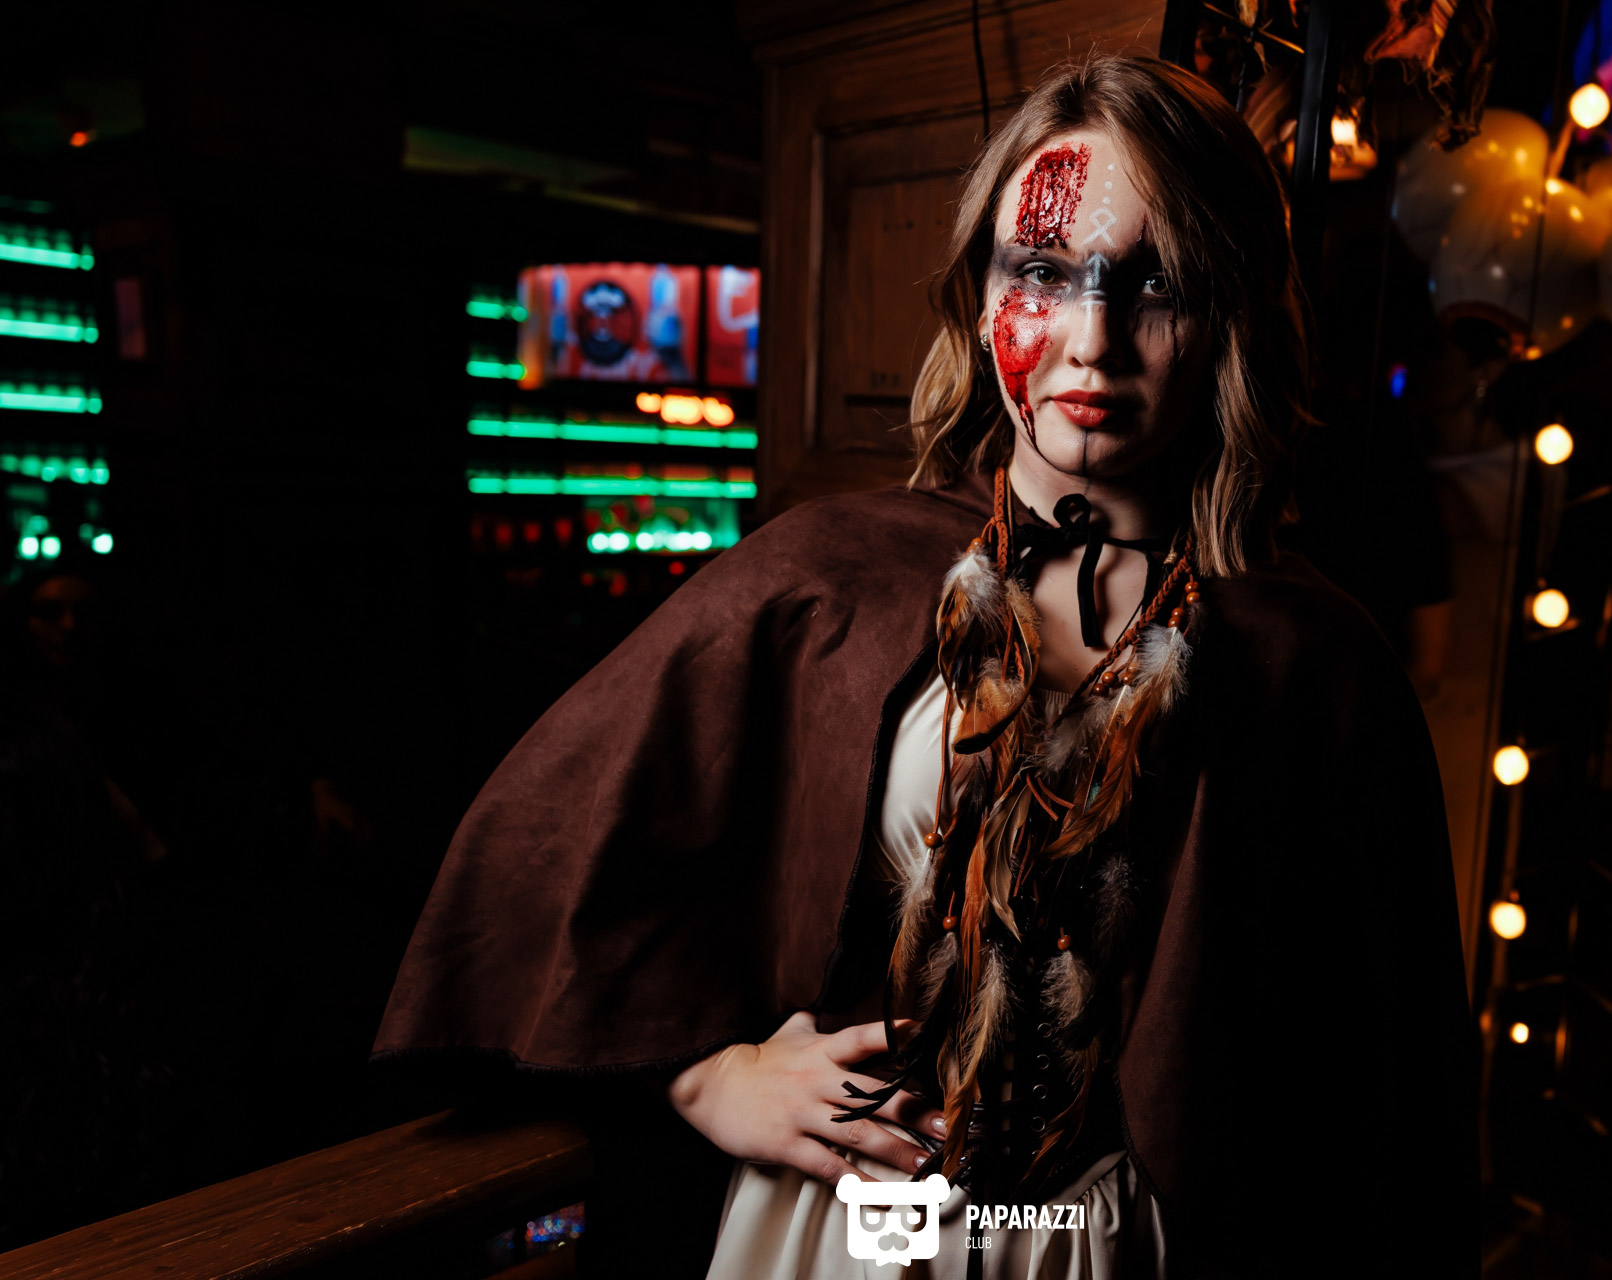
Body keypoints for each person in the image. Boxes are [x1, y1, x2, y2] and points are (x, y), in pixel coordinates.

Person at [376, 55, 1476, 1278]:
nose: (1092, 339)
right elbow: (541, 861)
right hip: (837, 1233)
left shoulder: (1315, 664)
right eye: (1041, 272)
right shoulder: (829, 575)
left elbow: (1388, 1080)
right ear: (980, 289)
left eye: (1156, 280)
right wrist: (709, 1074)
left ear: (1231, 312)